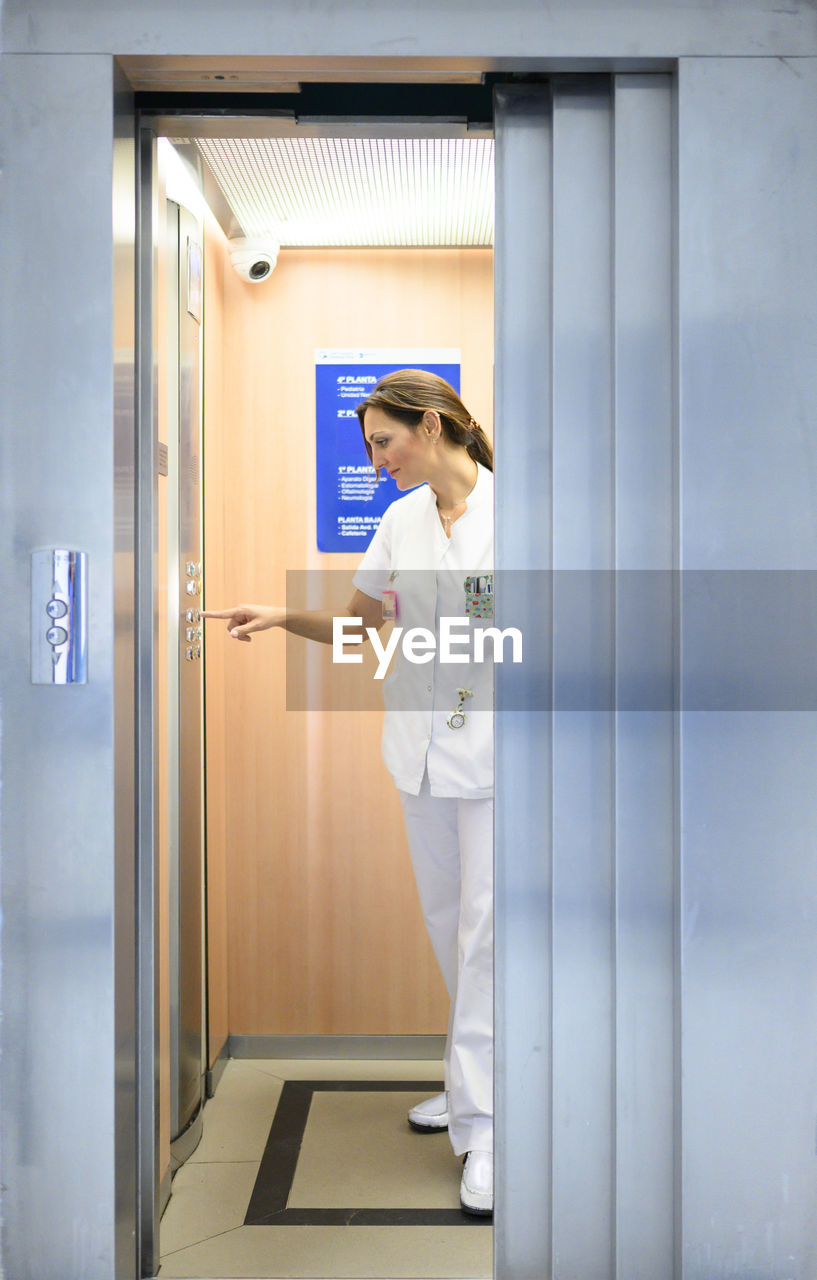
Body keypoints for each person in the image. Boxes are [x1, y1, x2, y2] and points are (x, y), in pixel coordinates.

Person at [202, 369, 495, 1216]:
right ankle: (473, 1082)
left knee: (485, 938)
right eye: (368, 447)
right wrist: (281, 614)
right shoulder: (402, 518)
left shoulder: (525, 513)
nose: (375, 462)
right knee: (451, 929)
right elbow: (364, 623)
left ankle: (486, 1130)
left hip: (497, 757)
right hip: (419, 754)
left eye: (383, 442)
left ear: (432, 426)